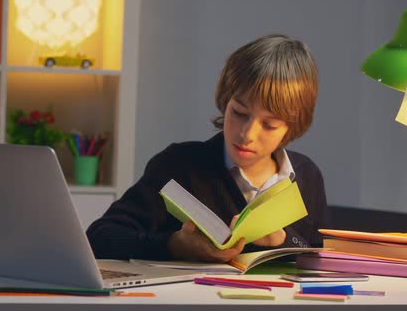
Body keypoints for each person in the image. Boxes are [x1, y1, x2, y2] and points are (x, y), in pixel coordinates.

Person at [87, 34, 328, 263]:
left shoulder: (306, 175)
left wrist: (283, 240)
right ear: (226, 101)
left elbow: (319, 259)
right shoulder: (179, 164)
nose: (247, 134)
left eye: (269, 124)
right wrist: (174, 244)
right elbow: (100, 237)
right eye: (239, 113)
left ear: (291, 127)